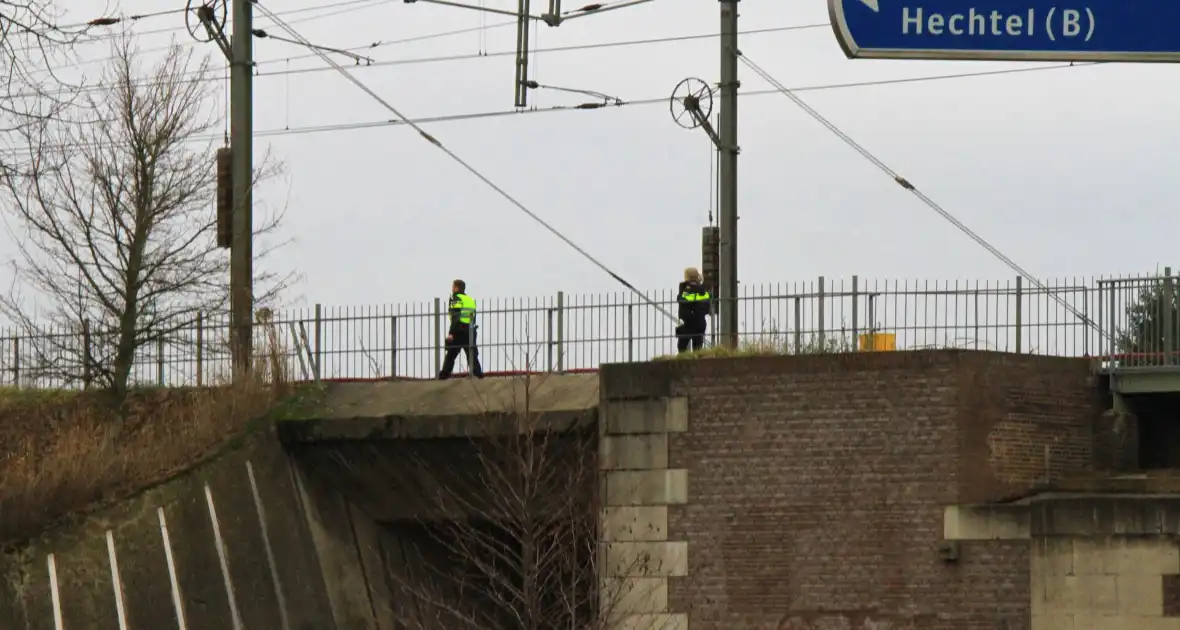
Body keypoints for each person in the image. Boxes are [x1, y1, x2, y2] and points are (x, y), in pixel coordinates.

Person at [438, 279, 485, 379]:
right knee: (471, 354)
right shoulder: (469, 300)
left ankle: (444, 375)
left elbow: (455, 315)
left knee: (451, 353)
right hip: (470, 330)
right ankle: (478, 374)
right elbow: (473, 316)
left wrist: (451, 333)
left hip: (458, 330)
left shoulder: (455, 298)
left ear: (456, 288)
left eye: (453, 287)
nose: (452, 289)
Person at [676, 267, 711, 353]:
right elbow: (706, 305)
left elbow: (682, 299)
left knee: (682, 347)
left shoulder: (688, 289)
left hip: (690, 321)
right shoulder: (703, 290)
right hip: (700, 322)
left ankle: (683, 362)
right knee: (698, 348)